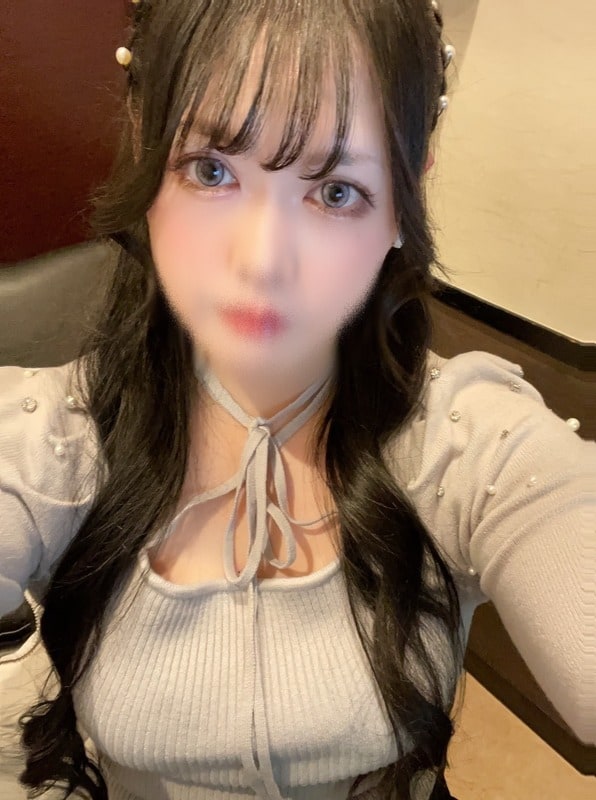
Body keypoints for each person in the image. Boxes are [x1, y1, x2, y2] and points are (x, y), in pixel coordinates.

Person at [0, 1, 594, 798]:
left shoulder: (468, 441)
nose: (262, 262)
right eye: (212, 170)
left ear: (405, 195)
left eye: (336, 191)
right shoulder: (55, 438)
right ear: (145, 144)